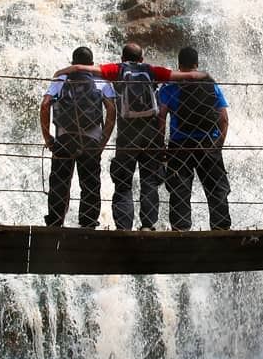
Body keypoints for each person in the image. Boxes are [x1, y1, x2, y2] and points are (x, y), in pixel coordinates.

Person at [56, 42, 205, 230]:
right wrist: (204, 77)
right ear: (141, 59)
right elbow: (185, 75)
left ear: (122, 58)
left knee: (123, 181)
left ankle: (123, 226)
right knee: (149, 180)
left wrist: (64, 71)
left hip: (127, 133)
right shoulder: (151, 71)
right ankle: (148, 225)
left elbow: (83, 68)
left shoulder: (117, 70)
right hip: (150, 132)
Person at [40, 46, 115, 228]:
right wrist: (103, 140)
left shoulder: (61, 78)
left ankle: (55, 222)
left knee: (59, 182)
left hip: (64, 137)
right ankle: (88, 223)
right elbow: (111, 110)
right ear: (91, 63)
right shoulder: (101, 79)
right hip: (91, 139)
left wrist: (47, 137)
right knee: (90, 183)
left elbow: (45, 105)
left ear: (72, 63)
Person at [158, 46, 231, 231]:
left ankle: (181, 230)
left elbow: (161, 119)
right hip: (208, 142)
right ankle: (221, 229)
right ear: (197, 64)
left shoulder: (170, 87)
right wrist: (218, 145)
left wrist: (161, 147)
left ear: (179, 65)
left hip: (180, 144)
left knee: (179, 189)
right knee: (216, 189)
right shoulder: (210, 85)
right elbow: (224, 119)